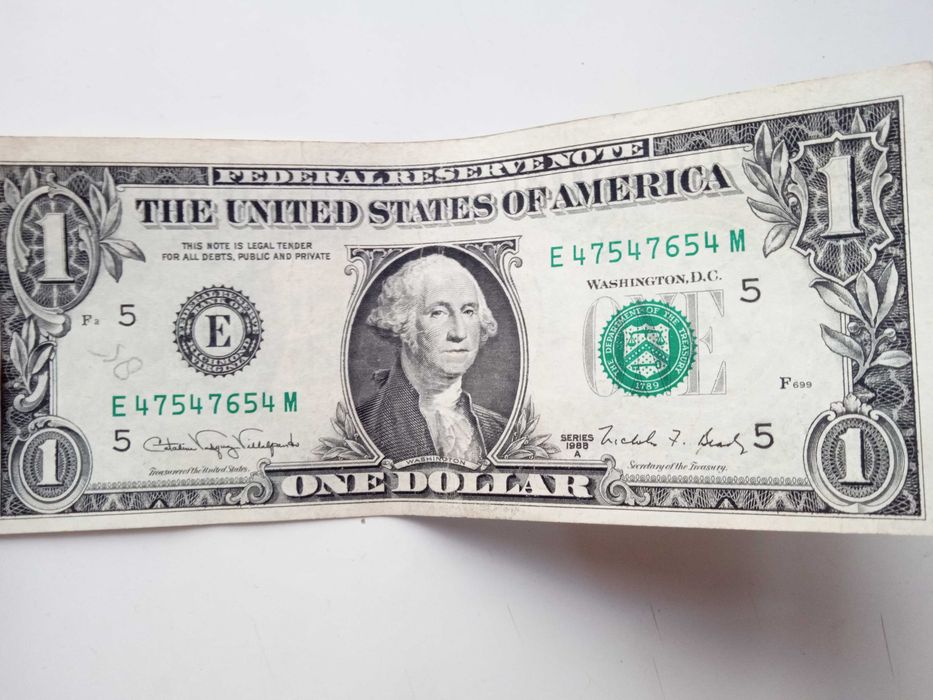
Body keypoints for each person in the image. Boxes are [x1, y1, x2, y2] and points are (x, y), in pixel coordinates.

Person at [356, 254, 506, 463]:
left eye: (468, 311)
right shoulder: (361, 428)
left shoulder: (500, 430)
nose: (459, 333)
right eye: (438, 313)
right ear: (402, 323)